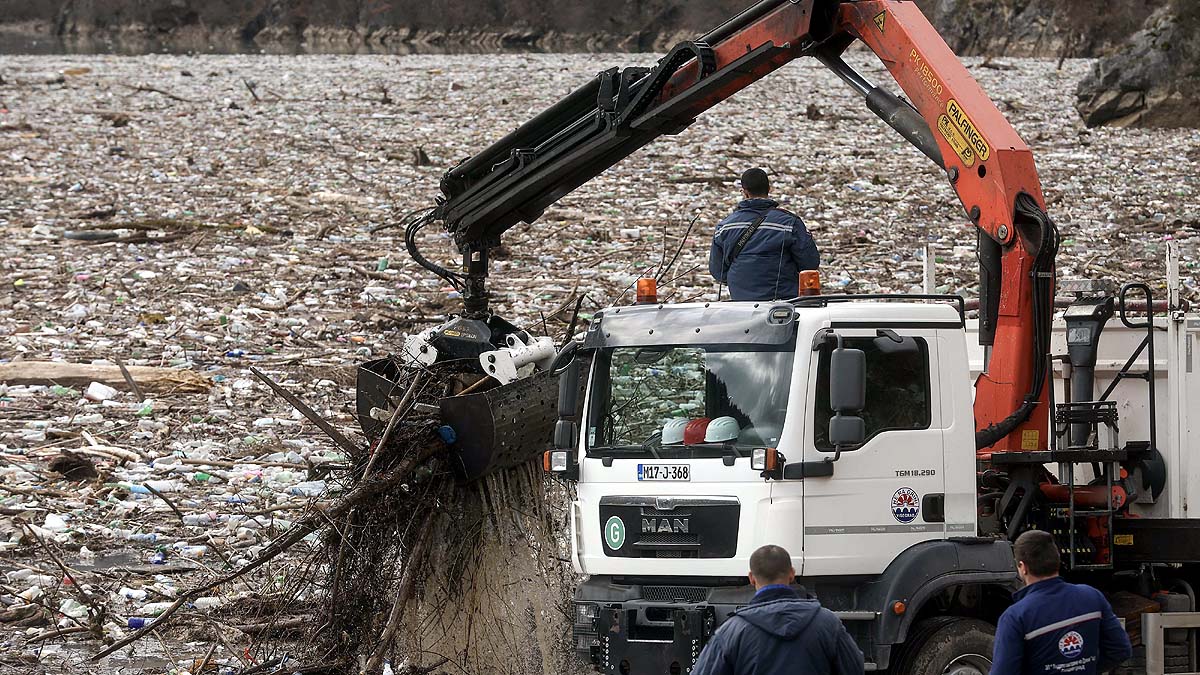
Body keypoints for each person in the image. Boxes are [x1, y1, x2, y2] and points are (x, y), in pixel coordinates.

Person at [692, 544, 864, 675]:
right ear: (791, 573)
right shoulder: (828, 623)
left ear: (751, 578)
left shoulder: (732, 631)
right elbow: (854, 668)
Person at [991, 530, 1132, 675]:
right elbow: (1121, 649)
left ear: (1023, 567)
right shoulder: (1092, 597)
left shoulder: (1015, 617)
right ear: (1057, 560)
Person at [709, 168, 819, 301]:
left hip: (741, 303)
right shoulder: (789, 222)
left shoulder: (724, 227)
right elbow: (809, 263)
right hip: (783, 303)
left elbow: (718, 271)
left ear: (744, 192)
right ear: (769, 189)